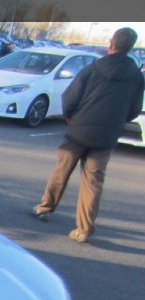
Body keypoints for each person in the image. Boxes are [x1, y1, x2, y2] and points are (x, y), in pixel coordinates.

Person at [33, 27, 144, 243]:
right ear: (131, 48)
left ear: (111, 43)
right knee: (93, 182)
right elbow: (134, 110)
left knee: (61, 170)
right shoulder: (136, 77)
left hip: (78, 131)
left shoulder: (92, 69)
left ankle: (45, 207)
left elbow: (70, 98)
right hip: (107, 136)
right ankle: (83, 229)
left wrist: (70, 117)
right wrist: (117, 120)